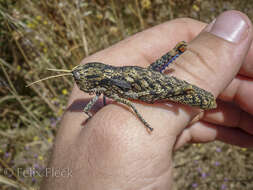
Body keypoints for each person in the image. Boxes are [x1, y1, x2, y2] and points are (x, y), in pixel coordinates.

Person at [40, 10, 253, 189]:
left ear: (94, 77)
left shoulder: (106, 85)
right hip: (139, 80)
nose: (80, 82)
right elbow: (106, 97)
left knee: (161, 87)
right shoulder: (104, 81)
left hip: (150, 87)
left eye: (81, 77)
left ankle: (188, 86)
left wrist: (141, 119)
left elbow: (126, 101)